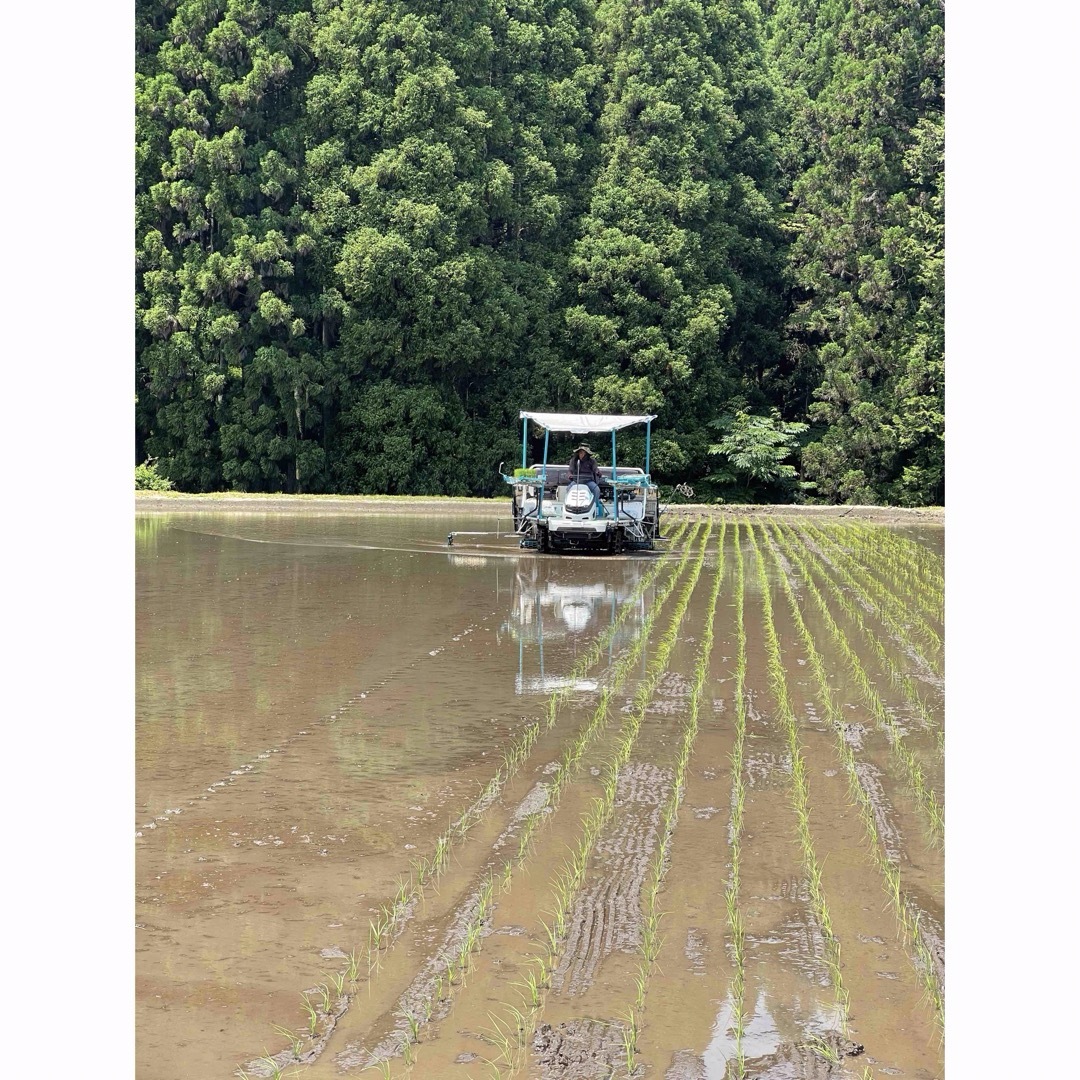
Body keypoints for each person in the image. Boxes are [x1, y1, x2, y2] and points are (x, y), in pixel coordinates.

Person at [567, 444, 605, 513]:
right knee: (568, 489)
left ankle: (595, 507)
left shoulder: (592, 461)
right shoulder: (574, 461)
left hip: (588, 481)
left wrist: (598, 472)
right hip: (577, 481)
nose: (581, 454)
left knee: (596, 490)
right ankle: (570, 507)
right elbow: (570, 470)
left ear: (586, 454)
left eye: (582, 453)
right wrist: (570, 475)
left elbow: (595, 469)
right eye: (580, 452)